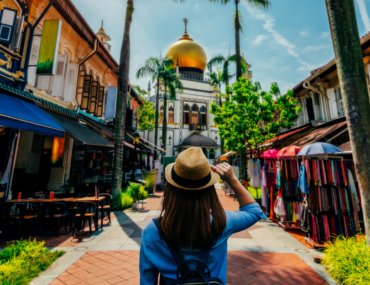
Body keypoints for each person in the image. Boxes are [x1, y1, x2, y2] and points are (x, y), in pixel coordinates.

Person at [139, 147, 266, 284]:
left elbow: (147, 282)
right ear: (209, 191)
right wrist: (232, 179)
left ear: (170, 189)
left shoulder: (152, 232)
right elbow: (254, 211)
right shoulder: (222, 223)